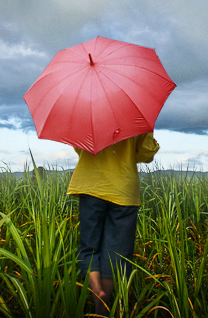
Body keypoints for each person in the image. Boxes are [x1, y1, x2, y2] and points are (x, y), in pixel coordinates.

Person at [67, 132, 160, 316]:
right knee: (116, 253)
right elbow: (145, 154)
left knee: (89, 248)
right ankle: (102, 307)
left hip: (91, 186)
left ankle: (96, 290)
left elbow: (80, 147)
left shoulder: (88, 108)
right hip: (123, 190)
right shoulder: (138, 116)